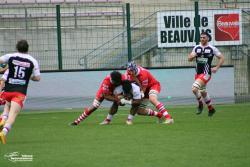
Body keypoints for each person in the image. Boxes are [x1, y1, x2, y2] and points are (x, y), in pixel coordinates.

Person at [0, 40, 41, 144]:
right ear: (28, 48)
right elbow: (37, 78)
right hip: (20, 92)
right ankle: (3, 132)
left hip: (8, 91)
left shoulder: (11, 56)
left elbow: (1, 61)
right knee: (13, 115)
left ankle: (2, 119)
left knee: (7, 108)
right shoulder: (33, 60)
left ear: (17, 48)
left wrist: (4, 67)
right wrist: (30, 77)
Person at [188, 32, 224, 116]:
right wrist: (192, 56)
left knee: (194, 89)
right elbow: (189, 59)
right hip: (197, 73)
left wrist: (216, 67)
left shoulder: (212, 48)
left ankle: (200, 104)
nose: (202, 39)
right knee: (203, 92)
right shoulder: (196, 48)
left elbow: (222, 58)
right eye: (201, 37)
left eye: (204, 37)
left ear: (208, 38)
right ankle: (211, 109)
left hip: (206, 73)